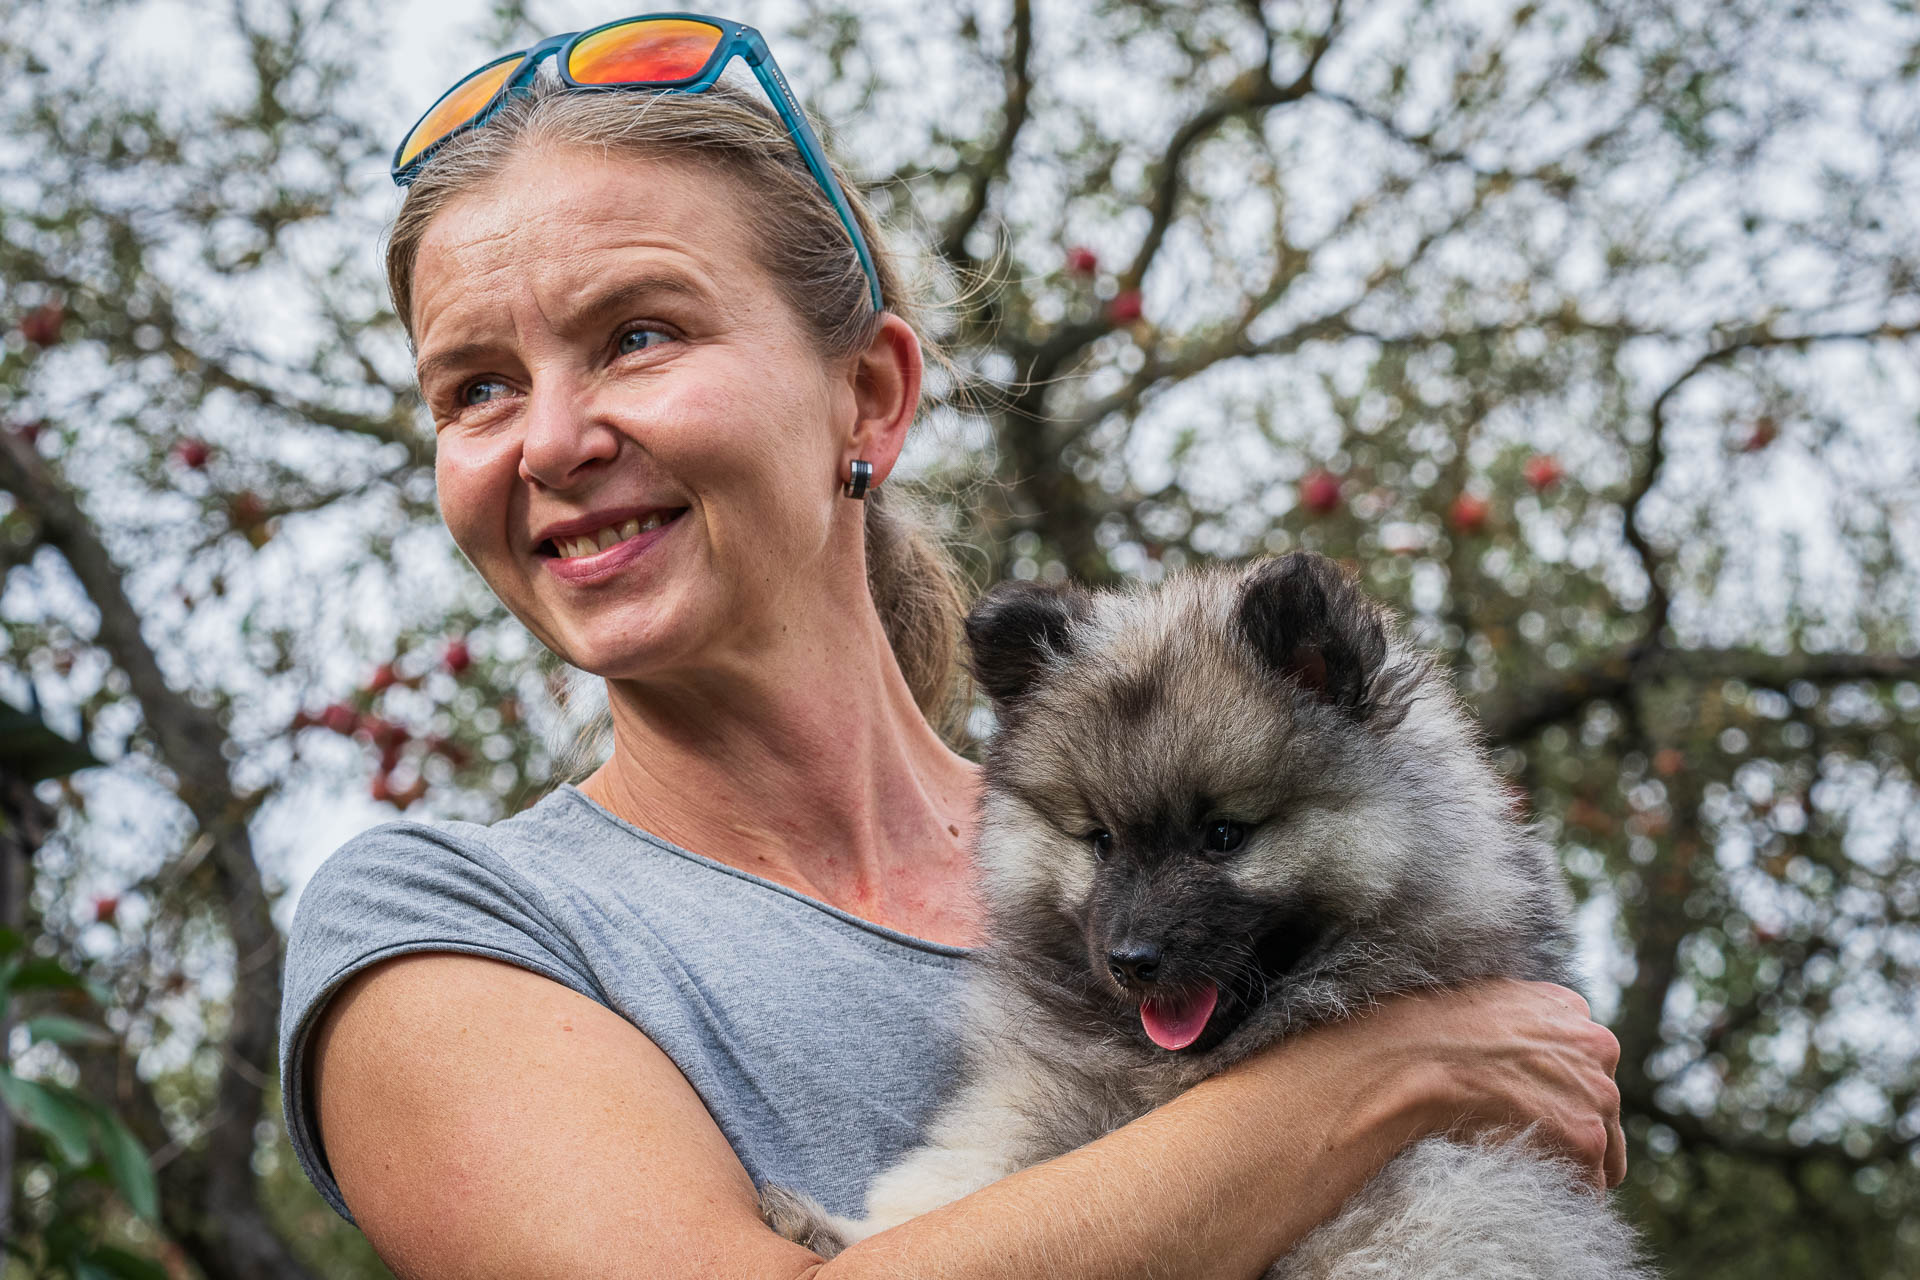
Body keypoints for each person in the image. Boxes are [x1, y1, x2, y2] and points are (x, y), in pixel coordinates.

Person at [277, 14, 1626, 1278]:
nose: (552, 440)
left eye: (637, 336)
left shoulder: (1195, 790)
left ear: (868, 394)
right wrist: (1375, 1081)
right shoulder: (447, 925)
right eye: (478, 388)